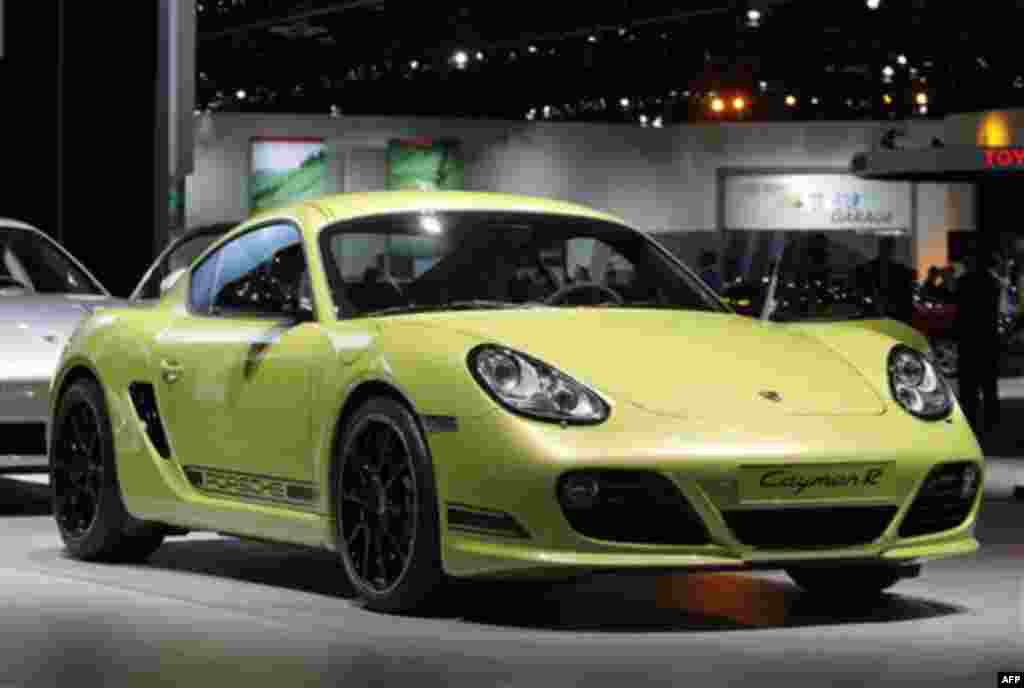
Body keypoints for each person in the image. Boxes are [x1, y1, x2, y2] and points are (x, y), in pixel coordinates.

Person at [954, 250, 1003, 435]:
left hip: (968, 339)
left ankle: (970, 420)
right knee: (989, 384)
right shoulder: (993, 283)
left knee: (969, 386)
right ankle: (991, 420)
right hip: (987, 338)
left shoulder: (964, 282)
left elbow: (957, 307)